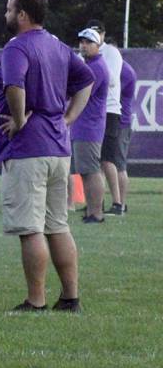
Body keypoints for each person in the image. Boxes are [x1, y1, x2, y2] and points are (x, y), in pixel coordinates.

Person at [0, 0, 93, 312]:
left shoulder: (16, 47)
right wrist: (69, 118)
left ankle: (36, 300)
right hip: (58, 148)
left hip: (27, 148)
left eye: (9, 10)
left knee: (30, 228)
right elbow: (86, 79)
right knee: (57, 225)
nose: (5, 15)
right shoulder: (58, 45)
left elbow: (14, 84)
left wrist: (18, 120)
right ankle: (70, 297)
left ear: (22, 14)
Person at [72, 29, 110, 224]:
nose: (83, 45)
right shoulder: (90, 65)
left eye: (88, 42)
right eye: (81, 42)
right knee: (86, 171)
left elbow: (78, 92)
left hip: (88, 127)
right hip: (84, 126)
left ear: (97, 45)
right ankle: (92, 211)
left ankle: (96, 213)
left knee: (91, 170)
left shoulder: (95, 67)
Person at [87, 21, 126, 214]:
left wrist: (94, 66)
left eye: (96, 34)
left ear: (102, 34)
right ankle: (96, 202)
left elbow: (110, 80)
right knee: (95, 160)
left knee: (108, 160)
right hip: (94, 112)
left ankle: (118, 203)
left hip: (109, 110)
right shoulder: (86, 53)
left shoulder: (110, 52)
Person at [108, 53, 136, 215]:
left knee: (118, 164)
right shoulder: (121, 68)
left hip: (120, 122)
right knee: (105, 163)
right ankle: (99, 202)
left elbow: (111, 91)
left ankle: (121, 204)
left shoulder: (123, 71)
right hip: (115, 120)